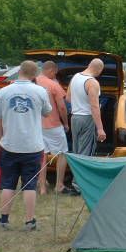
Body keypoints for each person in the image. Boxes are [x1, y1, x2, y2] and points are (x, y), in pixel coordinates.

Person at [0, 60, 52, 230]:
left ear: (19, 71)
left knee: (8, 183)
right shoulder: (40, 91)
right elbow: (47, 112)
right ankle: (29, 220)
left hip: (9, 145)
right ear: (35, 74)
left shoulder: (4, 92)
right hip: (32, 146)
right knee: (30, 185)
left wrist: (0, 140)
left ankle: (4, 219)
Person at [36, 61, 75, 195]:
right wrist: (65, 123)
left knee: (42, 155)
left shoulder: (33, 82)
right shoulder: (54, 85)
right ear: (51, 70)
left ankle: (42, 187)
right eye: (55, 73)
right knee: (62, 153)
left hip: (37, 126)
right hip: (53, 125)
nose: (55, 75)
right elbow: (62, 107)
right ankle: (59, 185)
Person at [67, 59, 106, 156]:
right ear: (100, 69)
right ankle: (82, 171)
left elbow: (68, 98)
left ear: (89, 65)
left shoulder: (75, 77)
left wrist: (79, 103)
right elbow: (94, 106)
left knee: (76, 151)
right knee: (85, 153)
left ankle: (75, 171)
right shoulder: (92, 82)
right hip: (87, 119)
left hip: (75, 118)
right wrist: (100, 129)